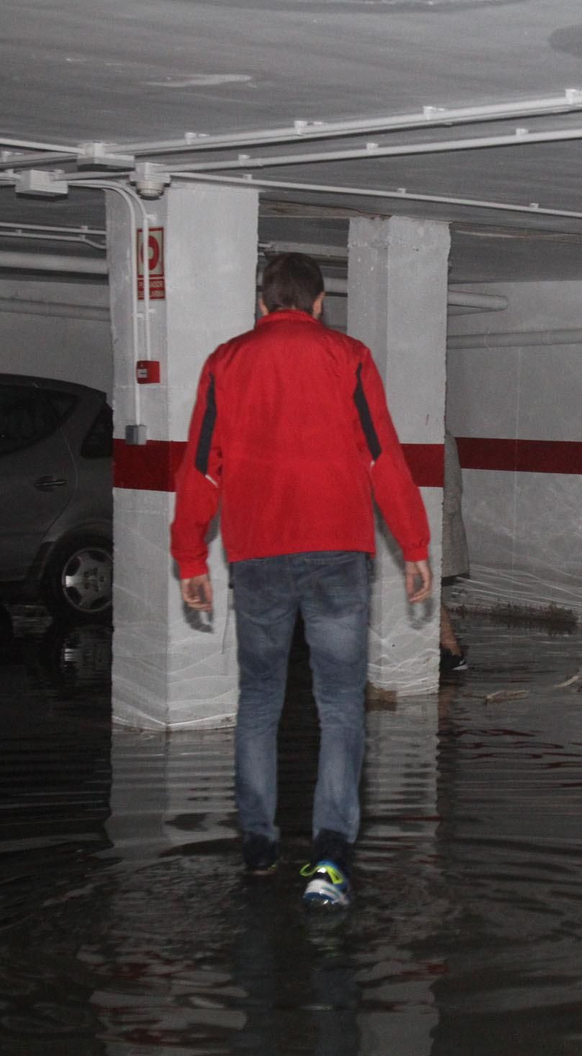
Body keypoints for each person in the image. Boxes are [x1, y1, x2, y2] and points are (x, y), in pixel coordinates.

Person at [170, 251, 432, 908]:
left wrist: (190, 557)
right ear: (319, 303)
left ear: (262, 304)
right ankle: (329, 860)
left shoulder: (224, 361)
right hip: (339, 554)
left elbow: (200, 463)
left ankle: (259, 850)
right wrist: (416, 544)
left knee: (259, 698)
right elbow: (383, 455)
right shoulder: (349, 356)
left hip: (256, 554)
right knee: (340, 705)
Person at [440, 430, 470, 673]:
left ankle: (452, 652)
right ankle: (450, 652)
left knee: (425, 594)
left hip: (438, 528)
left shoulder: (442, 439)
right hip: (435, 528)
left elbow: (451, 493)